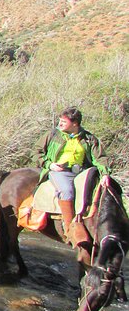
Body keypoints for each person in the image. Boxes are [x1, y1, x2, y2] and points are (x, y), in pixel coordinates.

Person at [34, 106, 111, 248]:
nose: (60, 123)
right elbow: (36, 152)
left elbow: (100, 158)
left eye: (64, 121)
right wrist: (49, 165)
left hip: (82, 172)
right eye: (60, 120)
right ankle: (70, 229)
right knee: (67, 191)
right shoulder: (53, 135)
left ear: (75, 123)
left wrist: (105, 174)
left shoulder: (89, 138)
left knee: (98, 193)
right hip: (59, 171)